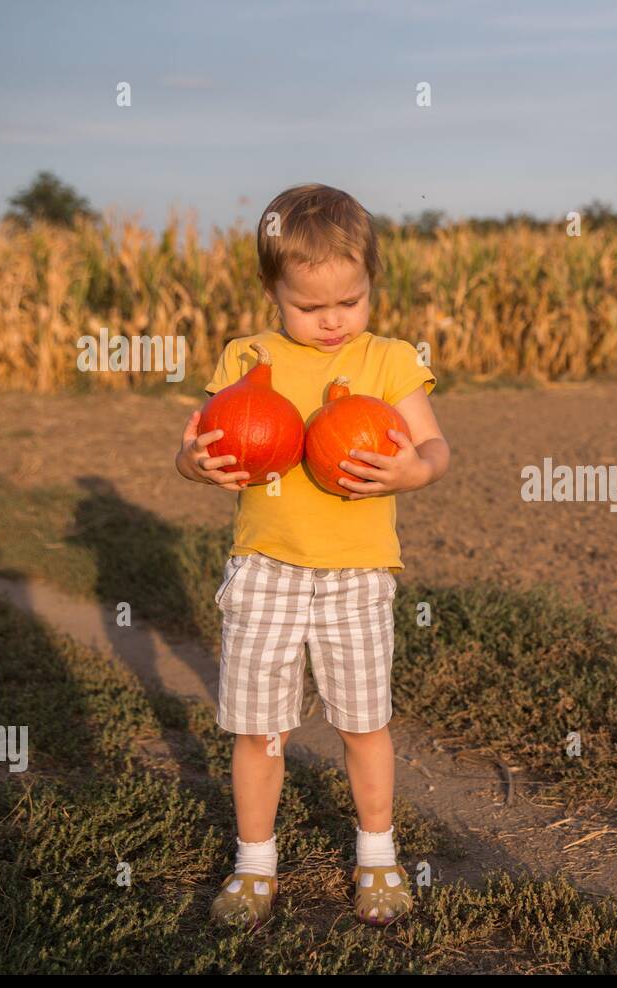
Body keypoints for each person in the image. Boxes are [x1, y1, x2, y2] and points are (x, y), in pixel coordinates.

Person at [173, 183, 449, 929]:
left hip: (357, 578)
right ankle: (255, 864)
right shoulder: (247, 355)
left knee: (364, 723)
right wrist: (195, 463)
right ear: (273, 292)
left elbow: (434, 446)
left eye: (350, 301)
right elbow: (197, 443)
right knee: (260, 729)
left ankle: (377, 854)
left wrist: (414, 471)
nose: (332, 321)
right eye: (309, 306)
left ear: (370, 287)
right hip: (266, 569)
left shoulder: (389, 361)